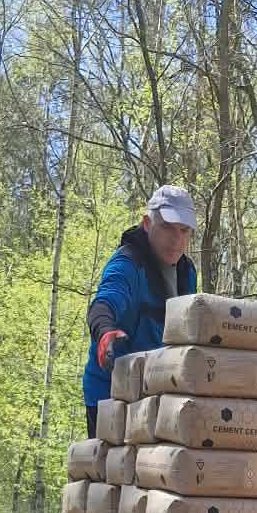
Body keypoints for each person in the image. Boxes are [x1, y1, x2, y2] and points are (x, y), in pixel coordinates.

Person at [82, 185, 198, 435]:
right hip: (109, 392)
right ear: (147, 223)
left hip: (156, 390)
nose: (176, 239)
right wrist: (104, 332)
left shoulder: (186, 271)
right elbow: (106, 301)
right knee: (113, 473)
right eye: (167, 227)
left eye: (184, 230)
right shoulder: (127, 264)